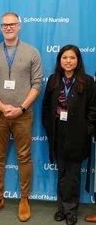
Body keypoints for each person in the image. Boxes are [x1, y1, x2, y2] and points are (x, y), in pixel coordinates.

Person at [0, 12, 42, 222]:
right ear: (1, 28)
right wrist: (0, 106)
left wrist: (22, 108)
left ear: (19, 25)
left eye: (12, 24)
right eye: (4, 25)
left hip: (23, 115)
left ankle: (24, 199)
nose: (8, 28)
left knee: (24, 157)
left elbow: (37, 84)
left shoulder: (32, 52)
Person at [42, 45, 96, 225]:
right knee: (62, 172)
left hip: (78, 135)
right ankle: (61, 208)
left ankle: (71, 210)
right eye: (64, 57)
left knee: (73, 174)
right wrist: (50, 128)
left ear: (78, 60)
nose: (68, 61)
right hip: (58, 133)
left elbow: (93, 108)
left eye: (72, 58)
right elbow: (46, 106)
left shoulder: (87, 81)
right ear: (59, 60)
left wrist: (87, 128)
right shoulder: (53, 80)